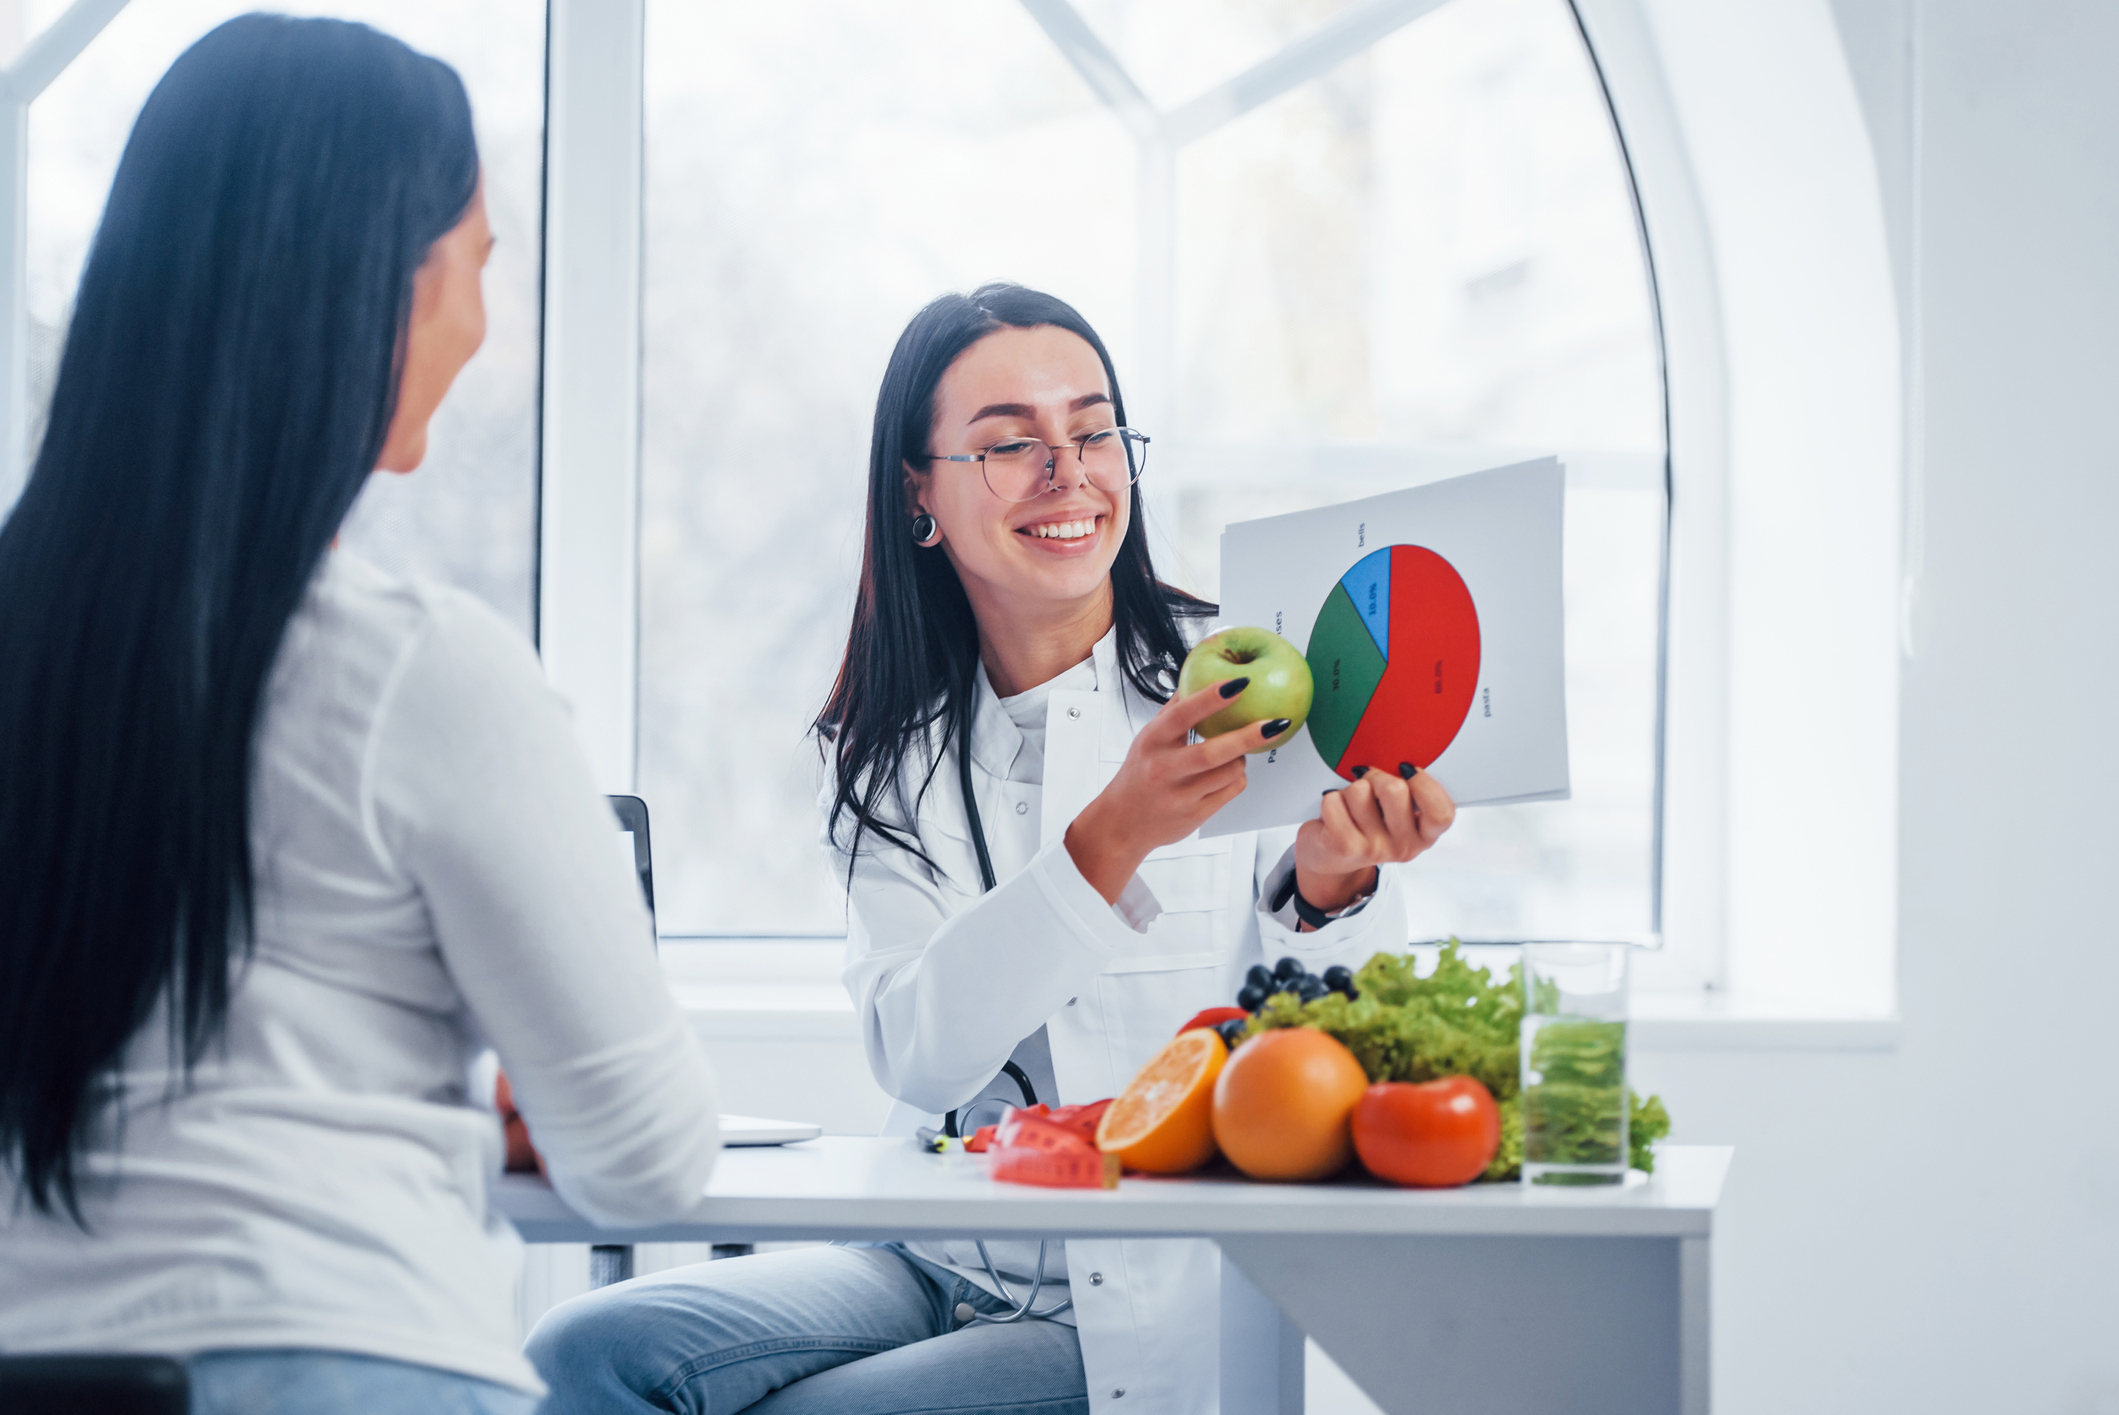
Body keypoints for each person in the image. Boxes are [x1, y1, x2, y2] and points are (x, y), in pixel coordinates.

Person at [525, 283, 1455, 1414]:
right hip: (939, 1254)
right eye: (1010, 443)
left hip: (1142, 1294)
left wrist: (1334, 885)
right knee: (585, 1349)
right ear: (919, 491)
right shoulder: (890, 749)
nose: (1068, 472)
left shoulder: (1249, 684)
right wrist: (1116, 832)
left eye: (1094, 428)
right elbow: (922, 1053)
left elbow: (1329, 1064)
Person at [0, 17, 719, 1413]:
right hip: (341, 1357)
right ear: (370, 284)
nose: (481, 320)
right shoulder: (416, 666)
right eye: (476, 264)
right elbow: (645, 1157)